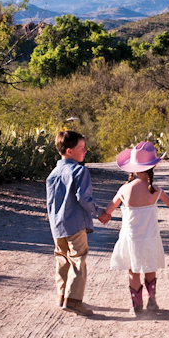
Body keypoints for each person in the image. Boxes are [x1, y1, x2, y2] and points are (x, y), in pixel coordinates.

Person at [102, 141, 169, 316]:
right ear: (152, 168)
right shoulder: (155, 190)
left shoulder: (125, 189)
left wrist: (103, 215)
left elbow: (108, 210)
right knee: (150, 268)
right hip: (150, 238)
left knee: (133, 271)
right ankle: (152, 301)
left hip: (131, 238)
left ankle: (136, 306)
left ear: (132, 168)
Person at [46, 130, 110, 317]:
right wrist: (98, 212)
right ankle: (73, 300)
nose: (85, 151)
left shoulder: (53, 174)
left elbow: (50, 202)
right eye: (81, 148)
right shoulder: (80, 171)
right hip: (74, 224)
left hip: (57, 226)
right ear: (69, 151)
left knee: (62, 259)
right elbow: (83, 197)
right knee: (78, 259)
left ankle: (62, 295)